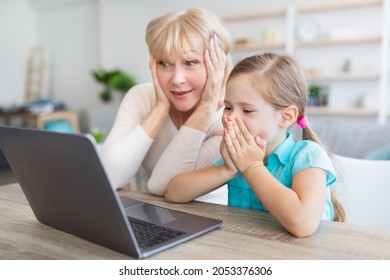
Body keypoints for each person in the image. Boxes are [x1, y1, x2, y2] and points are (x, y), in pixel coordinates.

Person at [165, 53, 345, 238]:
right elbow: (173, 192)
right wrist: (227, 169)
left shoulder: (307, 156)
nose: (231, 117)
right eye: (228, 107)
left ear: (286, 116)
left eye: (247, 110)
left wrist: (252, 167)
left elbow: (302, 224)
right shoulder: (238, 158)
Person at [100, 8, 232, 202]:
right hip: (155, 221)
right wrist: (160, 107)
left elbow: (164, 186)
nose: (177, 79)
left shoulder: (229, 115)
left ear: (217, 63)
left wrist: (206, 108)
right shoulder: (141, 97)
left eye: (190, 62)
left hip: (217, 224)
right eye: (164, 64)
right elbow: (108, 176)